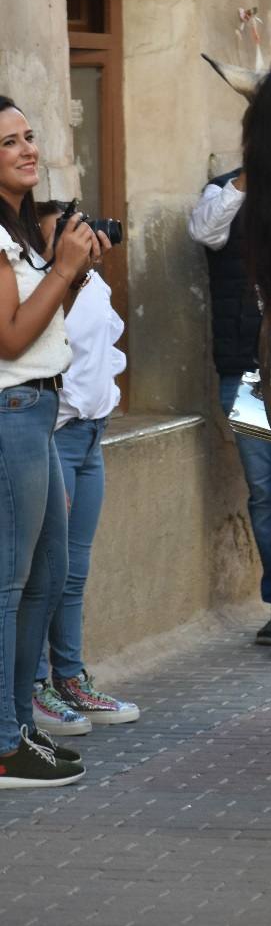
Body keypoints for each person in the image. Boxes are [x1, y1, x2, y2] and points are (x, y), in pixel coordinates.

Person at [0, 95, 99, 786]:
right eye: (9, 143)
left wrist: (73, 269)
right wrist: (62, 271)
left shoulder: (20, 229)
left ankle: (20, 728)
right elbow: (6, 339)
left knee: (46, 580)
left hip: (40, 412)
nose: (29, 149)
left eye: (29, 136)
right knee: (8, 585)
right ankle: (3, 743)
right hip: (10, 416)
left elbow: (36, 326)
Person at [188, 167, 271, 651]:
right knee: (265, 492)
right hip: (247, 374)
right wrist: (246, 179)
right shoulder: (225, 190)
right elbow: (204, 230)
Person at [30, 201, 139, 736]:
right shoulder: (43, 286)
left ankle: (70, 678)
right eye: (64, 233)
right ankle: (32, 689)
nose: (81, 238)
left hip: (92, 437)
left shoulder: (93, 283)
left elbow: (104, 353)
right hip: (55, 436)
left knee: (73, 573)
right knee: (41, 575)